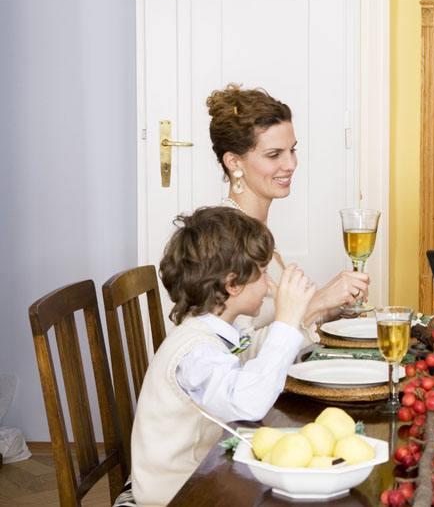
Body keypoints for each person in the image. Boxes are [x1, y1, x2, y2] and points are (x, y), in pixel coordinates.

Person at [131, 206, 315, 505]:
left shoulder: (214, 330)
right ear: (232, 284)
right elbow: (248, 404)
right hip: (178, 493)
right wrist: (285, 323)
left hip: (206, 472)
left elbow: (247, 353)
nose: (269, 285)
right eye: (263, 274)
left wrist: (298, 323)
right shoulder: (193, 353)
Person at [206, 84, 368, 326]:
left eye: (292, 150)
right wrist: (320, 301)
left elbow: (274, 320)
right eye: (274, 155)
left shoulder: (253, 228)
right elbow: (239, 352)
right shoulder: (227, 243)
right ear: (233, 162)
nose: (290, 164)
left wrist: (333, 306)